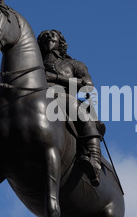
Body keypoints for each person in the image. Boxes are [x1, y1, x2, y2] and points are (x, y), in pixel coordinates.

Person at [37, 29, 103, 187]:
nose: (48, 36)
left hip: (63, 97)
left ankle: (94, 162)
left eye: (53, 34)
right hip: (36, 98)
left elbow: (88, 86)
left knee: (78, 109)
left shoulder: (75, 64)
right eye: (44, 35)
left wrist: (55, 78)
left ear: (61, 42)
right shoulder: (32, 63)